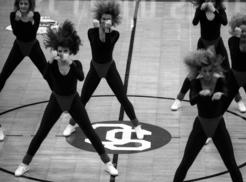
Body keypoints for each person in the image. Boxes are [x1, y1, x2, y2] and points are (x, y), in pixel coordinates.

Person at [14, 20, 118, 177]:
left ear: (71, 51)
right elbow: (45, 75)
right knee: (41, 133)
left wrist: (71, 64)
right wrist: (49, 62)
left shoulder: (76, 64)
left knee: (89, 131)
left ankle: (108, 163)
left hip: (73, 101)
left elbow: (81, 77)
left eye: (65, 51)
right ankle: (24, 164)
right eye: (60, 50)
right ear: (56, 51)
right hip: (56, 101)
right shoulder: (53, 65)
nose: (62, 53)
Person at [62, 0, 143, 139]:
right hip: (95, 68)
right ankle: (71, 124)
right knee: (83, 99)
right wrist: (99, 29)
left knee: (123, 98)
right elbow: (98, 44)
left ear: (113, 21)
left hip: (109, 68)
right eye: (103, 19)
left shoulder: (115, 35)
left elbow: (105, 44)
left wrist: (102, 30)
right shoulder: (90, 32)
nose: (106, 21)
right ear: (99, 20)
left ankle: (137, 126)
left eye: (108, 19)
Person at [173, 49, 243, 182]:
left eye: (209, 71)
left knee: (232, 165)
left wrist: (221, 95)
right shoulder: (195, 82)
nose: (207, 74)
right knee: (185, 164)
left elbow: (227, 94)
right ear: (199, 70)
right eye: (204, 71)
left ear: (213, 69)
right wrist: (200, 95)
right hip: (201, 126)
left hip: (218, 126)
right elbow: (192, 100)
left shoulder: (220, 81)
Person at [171, 0, 246, 113]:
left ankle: (239, 100)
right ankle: (178, 98)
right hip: (203, 46)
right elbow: (195, 22)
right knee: (194, 73)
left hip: (218, 46)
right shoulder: (200, 9)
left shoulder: (220, 9)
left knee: (227, 73)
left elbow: (225, 22)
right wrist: (201, 11)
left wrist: (214, 11)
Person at [0, 0, 50, 141]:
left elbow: (31, 32)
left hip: (33, 47)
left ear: (30, 5)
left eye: (25, 4)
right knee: (3, 76)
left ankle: (60, 100)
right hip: (19, 47)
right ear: (18, 4)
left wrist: (28, 21)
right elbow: (17, 33)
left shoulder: (36, 15)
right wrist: (17, 20)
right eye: (21, 3)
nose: (23, 6)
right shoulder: (12, 15)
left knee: (46, 74)